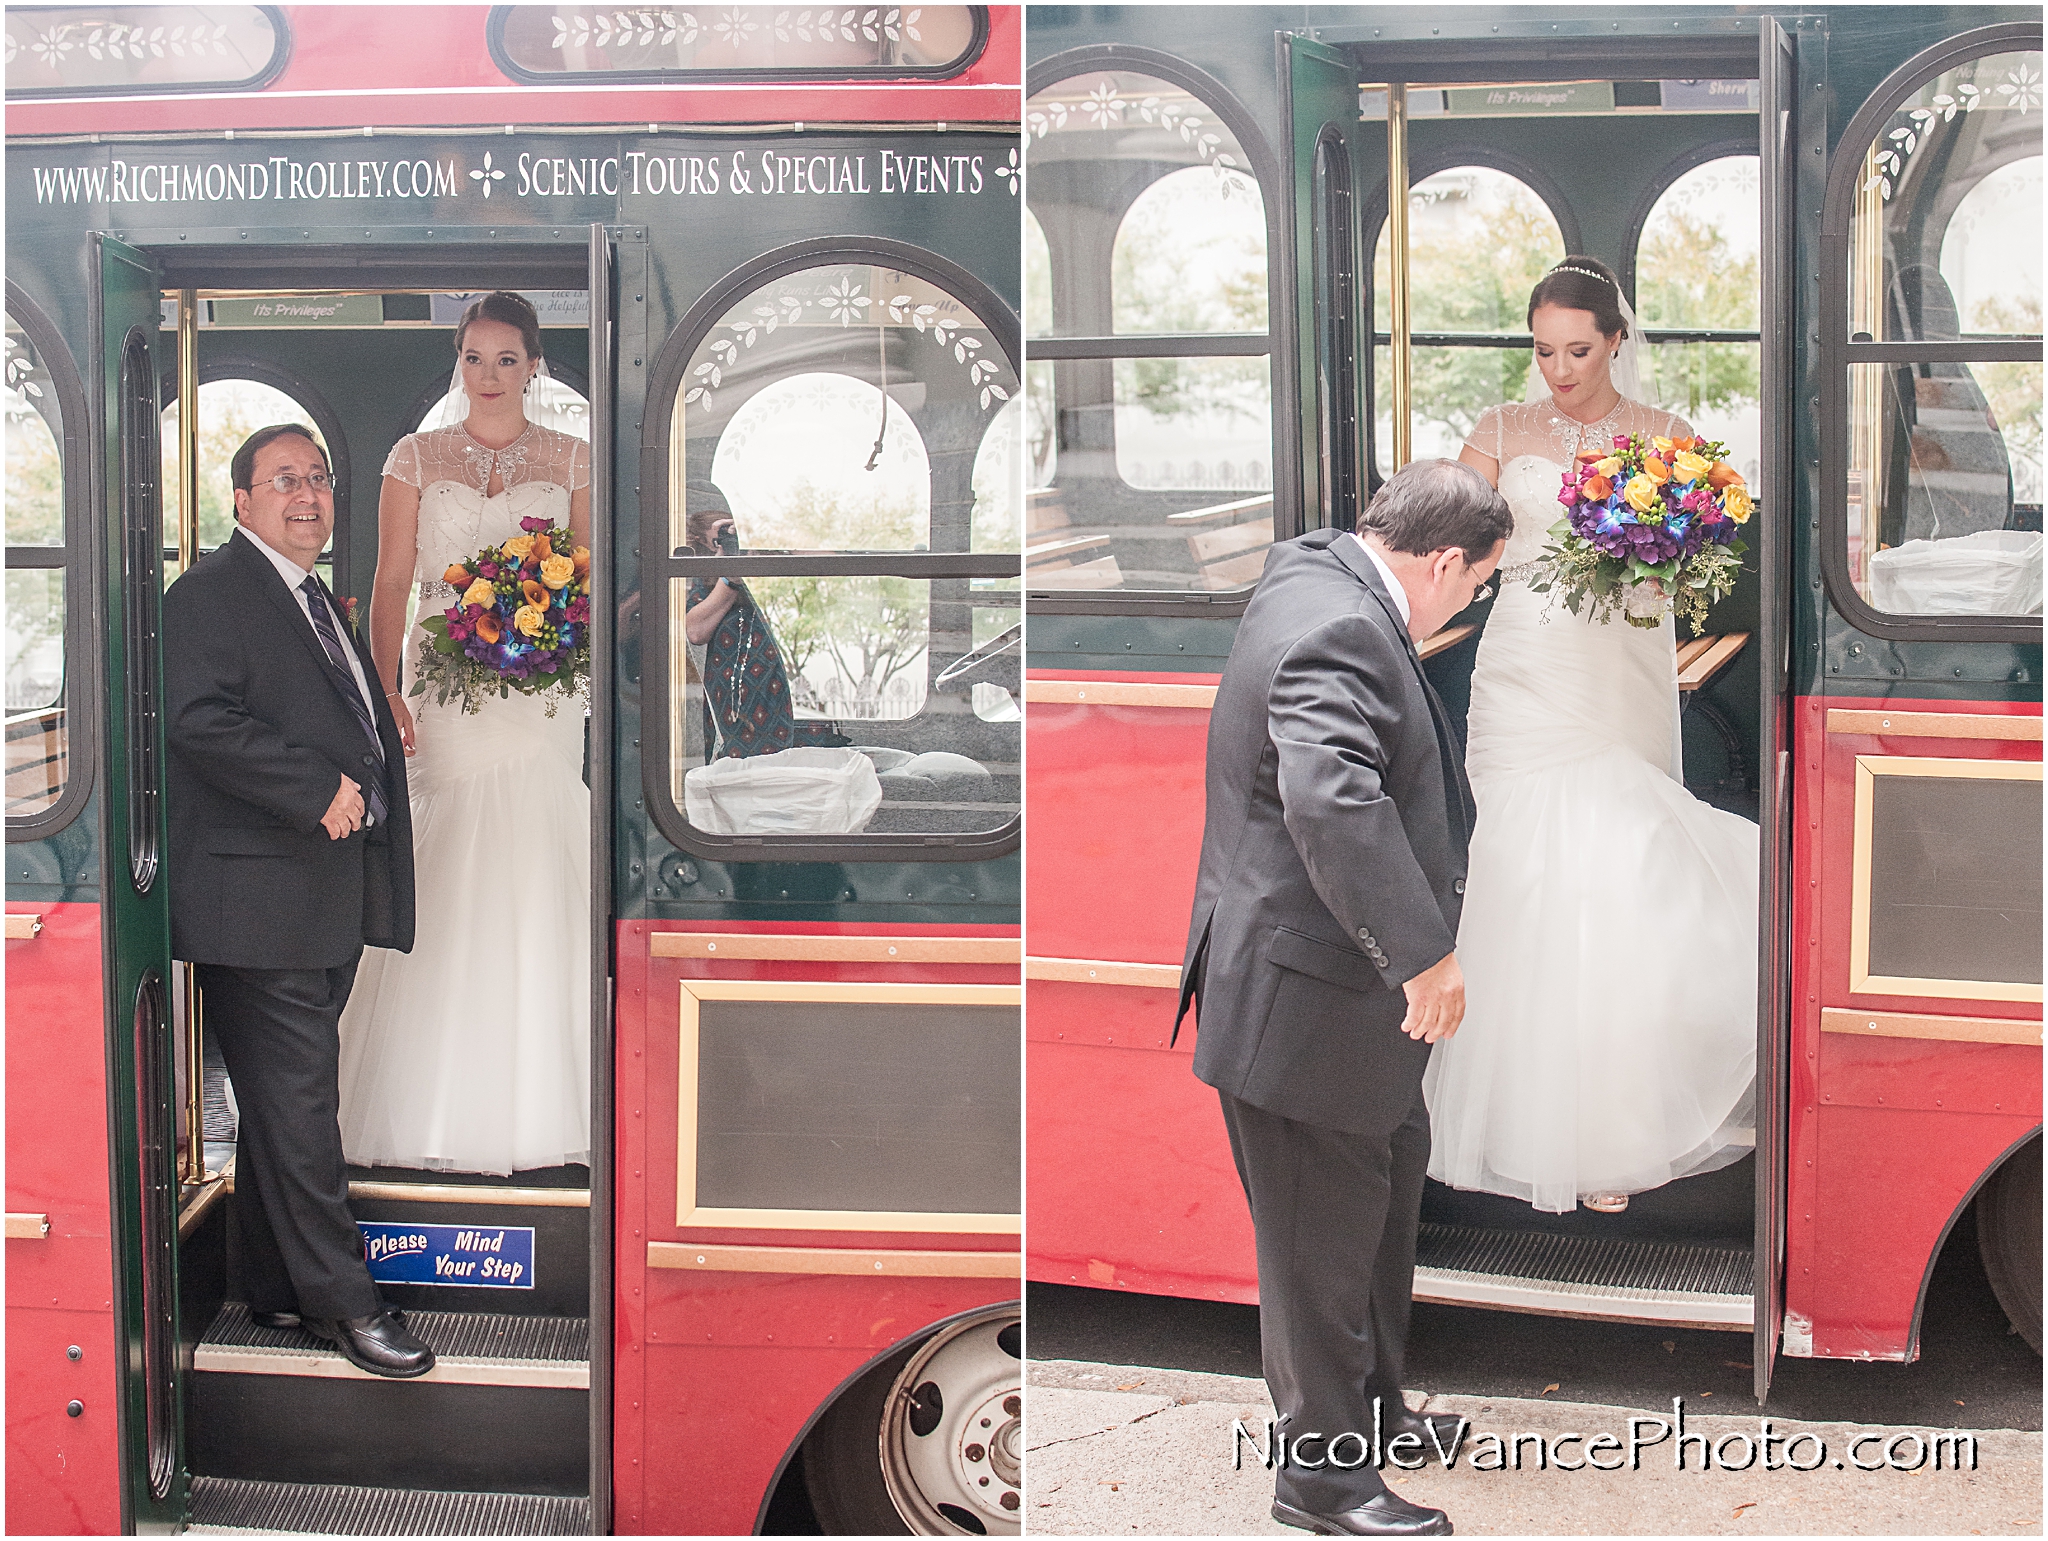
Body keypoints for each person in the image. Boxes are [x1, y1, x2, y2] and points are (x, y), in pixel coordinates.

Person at [1176, 460, 1510, 1538]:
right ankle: (1320, 1481)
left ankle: (1373, 1417)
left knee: (1375, 1203)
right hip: (1307, 1002)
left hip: (1324, 1000)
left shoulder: (1309, 570)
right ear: (1442, 559)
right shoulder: (1344, 630)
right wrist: (1421, 956)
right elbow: (1331, 793)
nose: (1466, 608)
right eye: (1473, 587)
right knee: (1318, 1252)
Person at [1424, 257, 1758, 1215]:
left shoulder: (1666, 436)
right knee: (1520, 871)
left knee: (1622, 873)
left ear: (1617, 340)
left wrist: (1656, 551)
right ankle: (1515, 1118)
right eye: (1543, 352)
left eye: (1577, 350)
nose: (1559, 370)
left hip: (1623, 653)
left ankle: (1611, 1129)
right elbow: (1461, 537)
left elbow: (1713, 536)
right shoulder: (1498, 431)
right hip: (1526, 657)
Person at [164, 423, 434, 1378]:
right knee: (303, 1107)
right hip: (257, 906)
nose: (308, 494)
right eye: (284, 480)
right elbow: (196, 720)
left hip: (318, 897)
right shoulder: (206, 595)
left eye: (319, 476)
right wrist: (312, 785)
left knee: (282, 1107)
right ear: (240, 501)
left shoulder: (312, 596)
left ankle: (270, 1285)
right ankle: (346, 1305)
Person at [336, 290, 592, 1176]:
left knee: (536, 867)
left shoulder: (573, 459)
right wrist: (387, 687)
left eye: (507, 360)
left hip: (542, 699)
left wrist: (546, 631)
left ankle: (546, 1100)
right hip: (442, 698)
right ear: (460, 364)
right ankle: (429, 1104)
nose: (490, 376)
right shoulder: (415, 456)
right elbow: (392, 580)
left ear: (534, 365)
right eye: (475, 359)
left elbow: (583, 586)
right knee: (446, 877)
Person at [681, 485, 847, 758]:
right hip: (738, 701)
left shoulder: (777, 555)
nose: (731, 544)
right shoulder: (705, 577)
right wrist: (730, 574)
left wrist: (775, 540)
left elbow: (836, 571)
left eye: (734, 535)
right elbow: (696, 630)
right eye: (719, 541)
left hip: (797, 687)